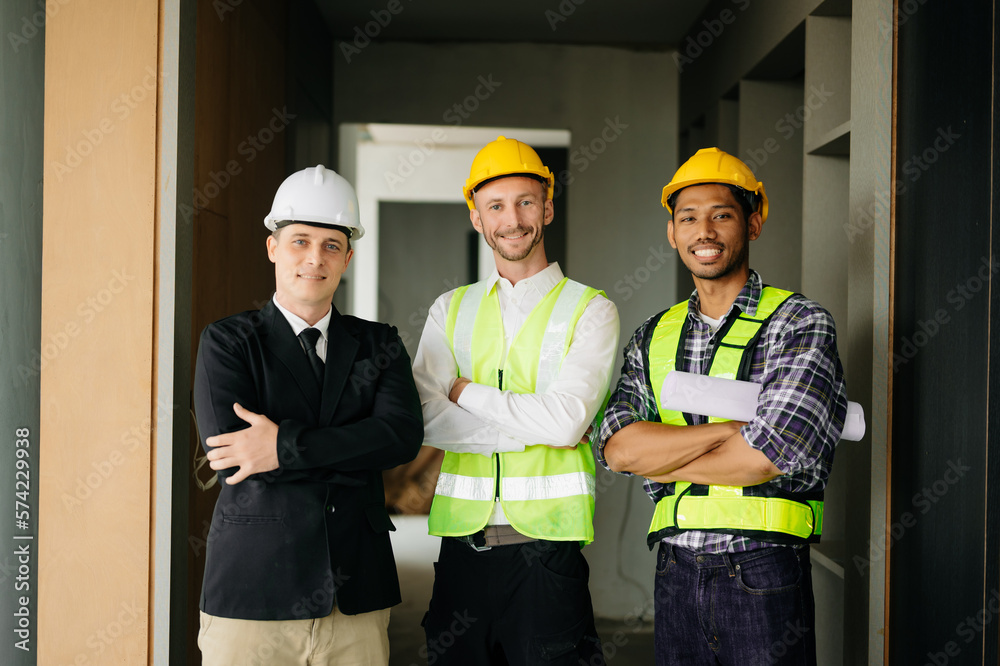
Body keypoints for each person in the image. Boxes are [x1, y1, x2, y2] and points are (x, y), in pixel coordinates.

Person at [596, 147, 848, 665]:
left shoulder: (799, 324)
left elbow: (769, 457)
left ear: (752, 224)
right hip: (675, 570)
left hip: (764, 571)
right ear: (672, 233)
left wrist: (664, 462)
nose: (703, 231)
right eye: (687, 218)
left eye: (721, 215)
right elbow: (619, 450)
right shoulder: (652, 337)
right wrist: (728, 430)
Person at [193, 165, 423, 665]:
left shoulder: (378, 344)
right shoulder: (229, 342)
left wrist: (282, 447)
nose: (314, 259)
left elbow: (401, 438)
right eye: (299, 241)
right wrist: (355, 446)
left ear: (348, 257)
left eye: (331, 245)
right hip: (253, 594)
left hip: (355, 596)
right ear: (273, 247)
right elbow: (233, 454)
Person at [412, 136, 620, 665]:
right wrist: (543, 425)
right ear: (477, 219)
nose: (513, 218)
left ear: (547, 208)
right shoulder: (449, 309)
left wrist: (465, 391)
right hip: (461, 552)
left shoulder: (590, 310)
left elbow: (567, 419)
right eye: (496, 206)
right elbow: (425, 418)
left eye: (526, 202)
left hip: (547, 558)